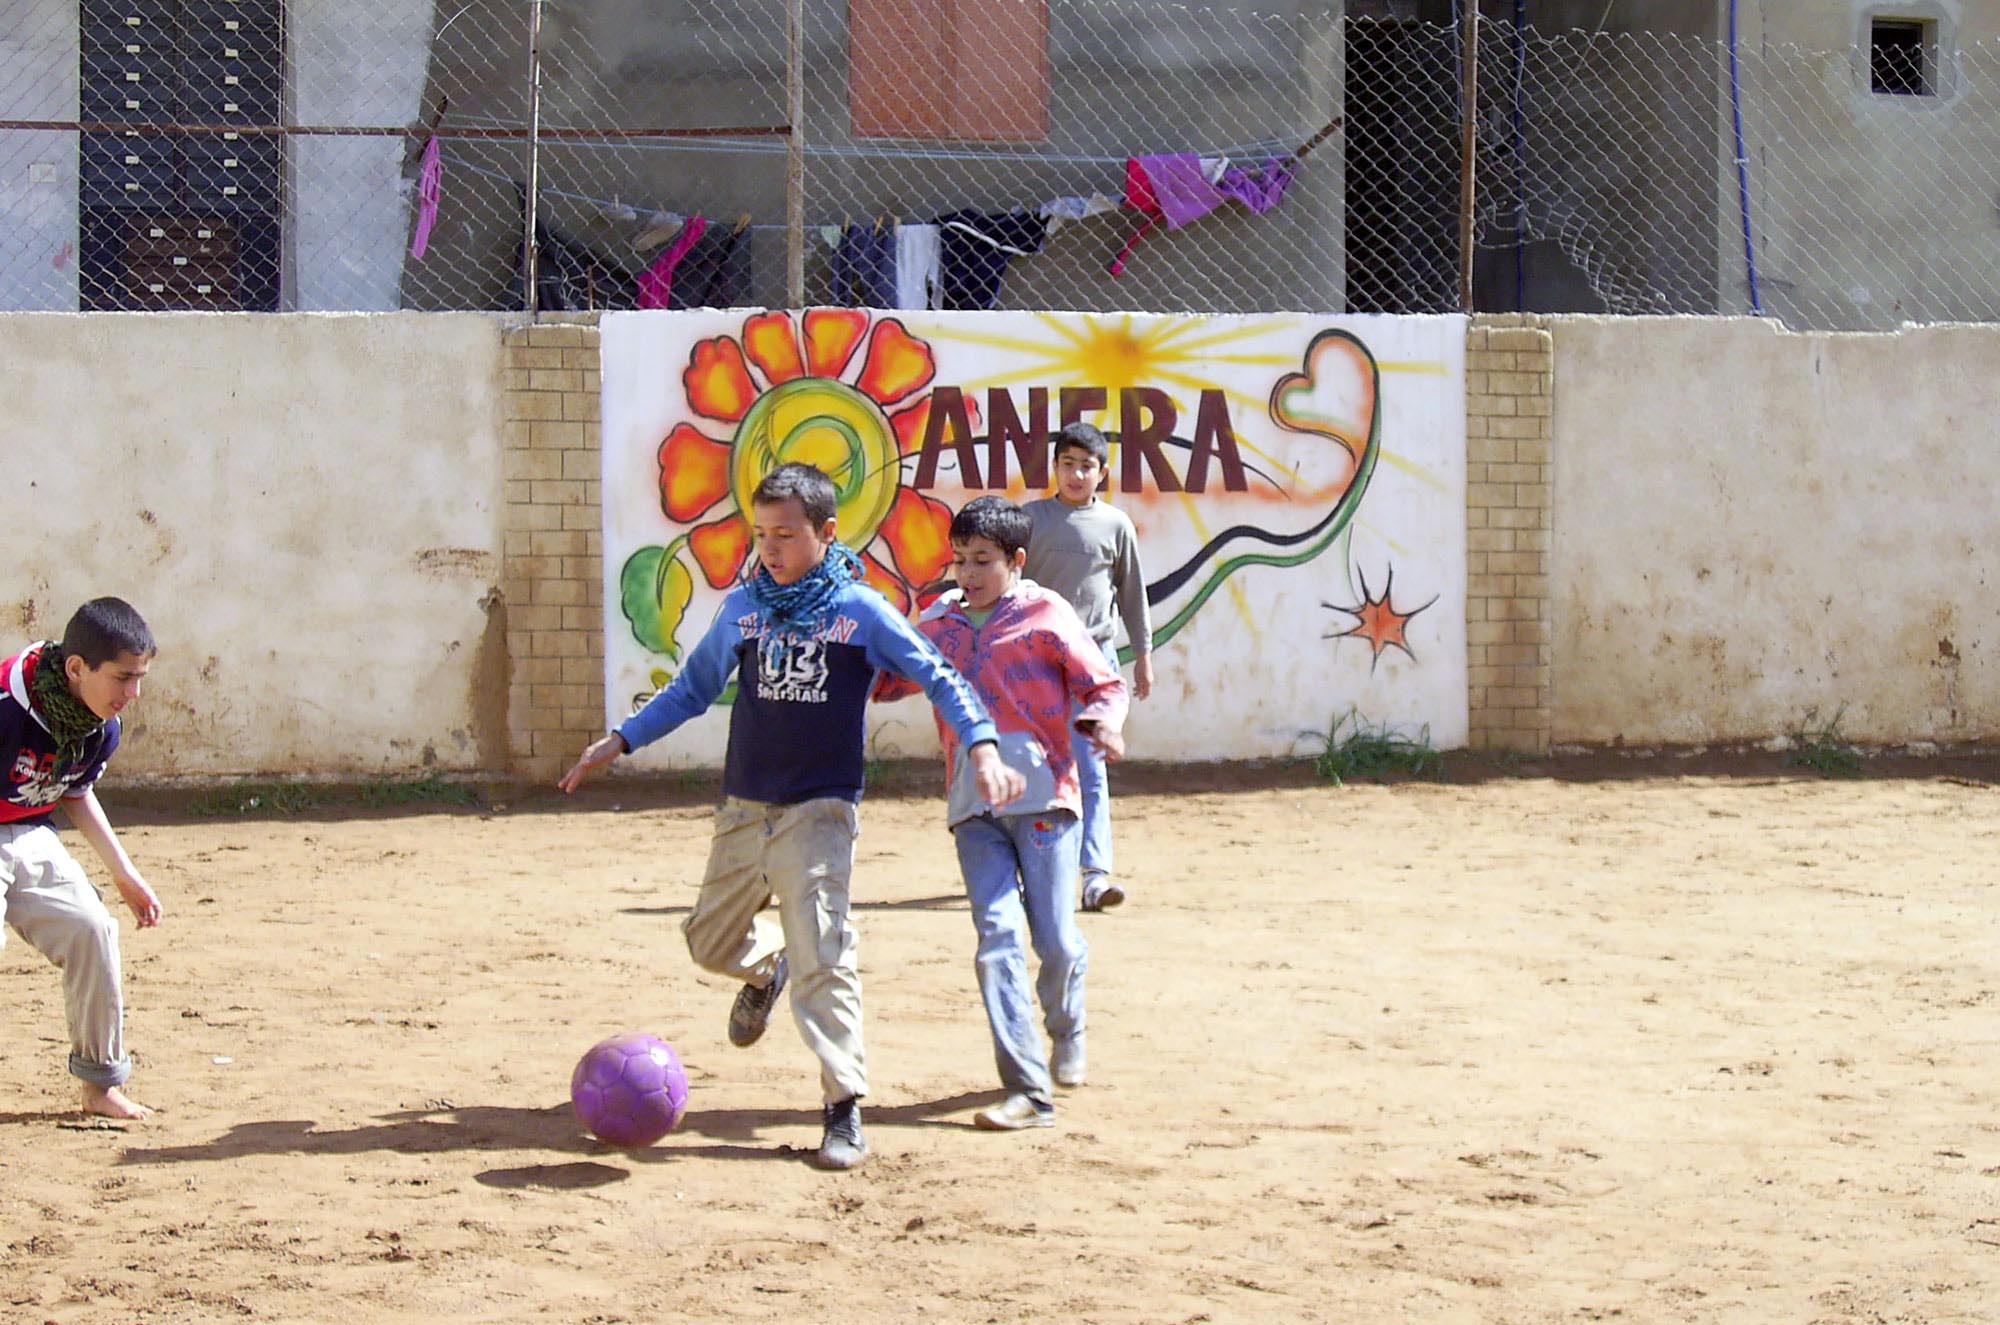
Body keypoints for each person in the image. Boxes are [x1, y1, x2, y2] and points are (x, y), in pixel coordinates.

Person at [559, 463, 1022, 1171]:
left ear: (826, 532)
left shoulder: (861, 611)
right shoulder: (744, 607)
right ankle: (765, 969)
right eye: (761, 533)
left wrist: (983, 743)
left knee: (826, 954)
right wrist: (621, 738)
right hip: (745, 806)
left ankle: (843, 1107)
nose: (769, 548)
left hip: (820, 810)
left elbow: (940, 674)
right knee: (708, 940)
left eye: (785, 534)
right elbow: (692, 688)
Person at [878, 496, 1127, 1129]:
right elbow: (886, 680)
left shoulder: (1047, 614)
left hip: (1047, 802)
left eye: (982, 561)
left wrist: (1104, 722)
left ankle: (1066, 1026)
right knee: (997, 939)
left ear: (1016, 560)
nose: (968, 573)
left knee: (1056, 940)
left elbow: (1103, 682)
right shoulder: (938, 625)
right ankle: (1026, 1086)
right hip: (973, 807)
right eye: (960, 560)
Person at [1, 597, 164, 1121]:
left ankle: (100, 1085)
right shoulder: (5, 706)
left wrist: (124, 874)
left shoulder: (99, 727)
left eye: (139, 677)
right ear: (77, 668)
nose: (133, 693)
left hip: (26, 829)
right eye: (122, 677)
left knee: (94, 928)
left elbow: (71, 792)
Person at [1022, 421, 1153, 912]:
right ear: (1053, 468)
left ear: (1103, 473)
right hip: (1032, 670)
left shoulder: (1116, 526)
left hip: (1093, 670)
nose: (1076, 474)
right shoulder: (1029, 520)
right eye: (1067, 464)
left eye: (1086, 466)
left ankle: (1095, 876)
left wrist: (1143, 654)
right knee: (1035, 771)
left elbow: (1131, 593)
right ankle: (1032, 870)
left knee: (1091, 770)